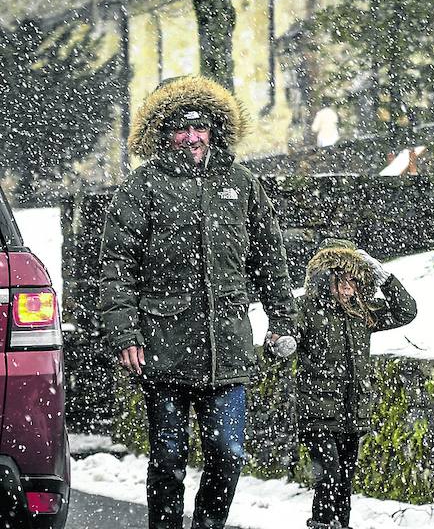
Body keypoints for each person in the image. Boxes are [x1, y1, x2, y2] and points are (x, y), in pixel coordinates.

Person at [99, 75, 298, 529]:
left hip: (226, 347)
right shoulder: (141, 188)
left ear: (213, 130)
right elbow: (116, 267)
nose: (191, 137)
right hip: (163, 346)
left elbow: (271, 260)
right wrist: (125, 332)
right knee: (168, 459)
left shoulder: (242, 185)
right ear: (164, 134)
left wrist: (283, 319)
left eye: (199, 127)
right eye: (180, 128)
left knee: (228, 454)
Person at [292, 238, 417, 529]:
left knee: (344, 482)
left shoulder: (361, 312)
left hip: (351, 414)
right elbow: (284, 336)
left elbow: (405, 311)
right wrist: (281, 343)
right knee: (329, 477)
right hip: (318, 414)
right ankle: (323, 524)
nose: (348, 289)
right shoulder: (307, 310)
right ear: (325, 279)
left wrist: (384, 277)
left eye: (354, 281)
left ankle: (339, 524)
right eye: (341, 281)